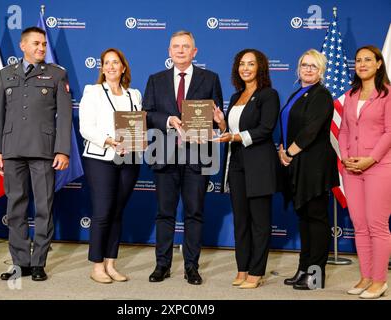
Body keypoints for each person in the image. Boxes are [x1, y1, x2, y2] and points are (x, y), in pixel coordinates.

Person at [143, 30, 223, 285]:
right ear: (169, 51)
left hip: (197, 156)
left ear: (194, 52)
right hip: (164, 154)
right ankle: (162, 265)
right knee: (164, 213)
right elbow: (147, 114)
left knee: (194, 213)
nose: (180, 50)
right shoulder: (156, 80)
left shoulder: (210, 78)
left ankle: (192, 267)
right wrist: (168, 119)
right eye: (176, 46)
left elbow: (215, 118)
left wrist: (216, 121)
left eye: (185, 46)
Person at [0, 27, 72, 282]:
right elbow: (0, 117)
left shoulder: (57, 74)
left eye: (43, 44)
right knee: (15, 208)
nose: (41, 48)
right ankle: (20, 263)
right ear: (23, 45)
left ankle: (38, 262)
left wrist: (62, 149)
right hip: (12, 149)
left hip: (43, 150)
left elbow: (64, 117)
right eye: (36, 44)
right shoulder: (6, 74)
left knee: (43, 207)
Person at [213, 49, 280, 289]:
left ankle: (256, 271)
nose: (246, 68)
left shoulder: (268, 95)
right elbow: (229, 132)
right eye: (242, 64)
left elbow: (266, 129)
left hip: (259, 165)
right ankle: (242, 268)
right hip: (236, 164)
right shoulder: (235, 97)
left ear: (260, 67)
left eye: (251, 64)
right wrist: (222, 123)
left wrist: (236, 136)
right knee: (240, 221)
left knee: (259, 222)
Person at [79, 48, 142, 283]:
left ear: (123, 67)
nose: (112, 66)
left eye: (116, 62)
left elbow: (136, 125)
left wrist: (138, 139)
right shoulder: (93, 92)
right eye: (107, 63)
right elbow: (86, 127)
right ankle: (97, 266)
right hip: (100, 157)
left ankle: (110, 263)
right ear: (102, 68)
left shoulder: (133, 95)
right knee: (103, 212)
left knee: (117, 212)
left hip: (128, 159)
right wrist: (109, 141)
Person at [278, 49, 338, 290]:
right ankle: (303, 269)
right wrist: (283, 151)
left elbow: (311, 130)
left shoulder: (321, 94)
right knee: (304, 219)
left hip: (315, 166)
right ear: (298, 67)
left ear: (321, 70)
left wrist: (289, 152)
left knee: (316, 219)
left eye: (314, 66)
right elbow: (286, 126)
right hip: (296, 164)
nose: (309, 69)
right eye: (305, 64)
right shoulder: (298, 93)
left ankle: (316, 275)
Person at [339, 45, 391, 299]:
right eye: (358, 60)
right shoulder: (350, 95)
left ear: (379, 63)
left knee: (376, 225)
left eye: (368, 60)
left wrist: (370, 158)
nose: (362, 64)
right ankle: (366, 276)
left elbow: (390, 132)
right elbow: (345, 131)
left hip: (380, 167)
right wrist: (346, 157)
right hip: (352, 168)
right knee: (359, 225)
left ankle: (380, 281)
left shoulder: (388, 94)